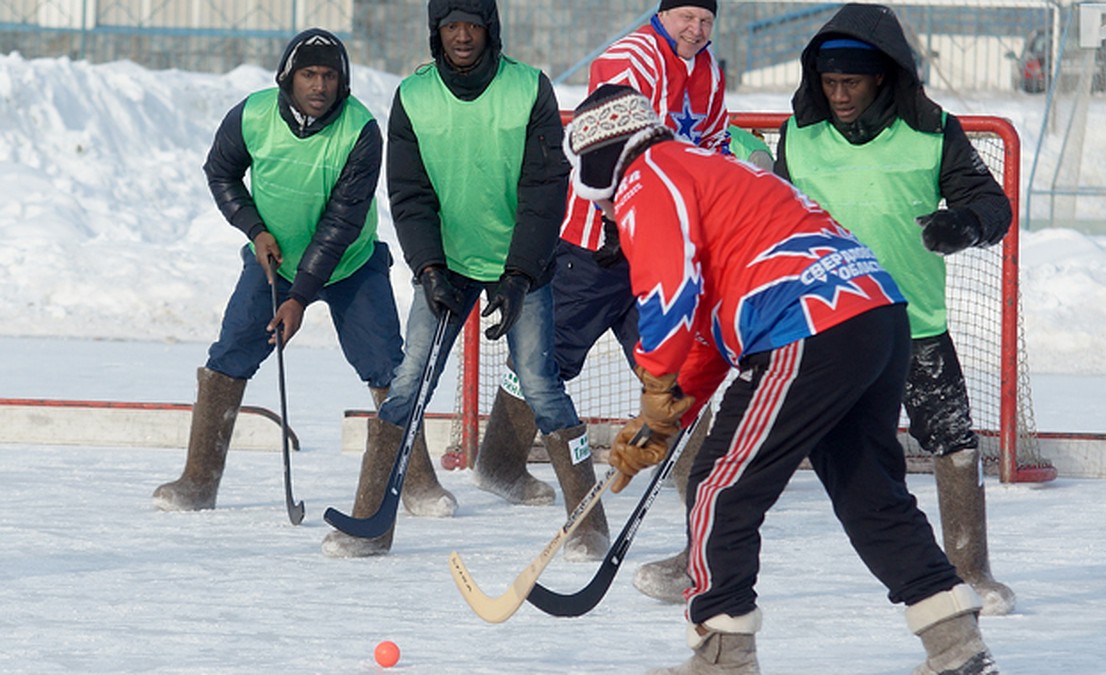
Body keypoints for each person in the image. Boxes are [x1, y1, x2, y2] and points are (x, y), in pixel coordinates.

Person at [567, 84, 999, 675]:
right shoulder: (706, 169)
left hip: (806, 324)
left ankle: (723, 654)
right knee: (870, 494)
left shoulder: (647, 174)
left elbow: (668, 293)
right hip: (873, 313)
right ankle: (955, 645)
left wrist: (656, 382)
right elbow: (712, 329)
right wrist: (665, 418)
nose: (609, 214)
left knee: (719, 485)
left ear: (598, 161)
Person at [321, 0, 609, 561]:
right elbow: (410, 195)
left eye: (471, 26)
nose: (461, 37)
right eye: (450, 26)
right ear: (436, 31)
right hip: (446, 267)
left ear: (489, 30)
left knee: (542, 385)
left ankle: (589, 524)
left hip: (520, 267)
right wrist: (428, 269)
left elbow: (545, 187)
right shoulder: (415, 96)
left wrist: (520, 274)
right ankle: (371, 523)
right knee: (408, 384)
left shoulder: (529, 88)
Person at [469, 0, 733, 602]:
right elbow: (608, 135)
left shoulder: (709, 70)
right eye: (685, 17)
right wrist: (627, 221)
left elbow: (711, 141)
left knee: (674, 355)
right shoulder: (630, 56)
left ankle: (695, 472)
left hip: (659, 239)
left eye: (706, 20)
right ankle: (500, 462)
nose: (695, 30)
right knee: (549, 360)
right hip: (595, 245)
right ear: (662, 15)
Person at [774, 2, 1016, 616]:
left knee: (954, 441)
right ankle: (702, 558)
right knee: (754, 436)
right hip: (822, 323)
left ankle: (972, 569)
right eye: (828, 83)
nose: (839, 95)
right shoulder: (798, 132)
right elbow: (774, 215)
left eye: (850, 82)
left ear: (883, 75)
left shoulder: (934, 130)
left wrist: (964, 223)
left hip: (913, 324)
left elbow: (991, 203)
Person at [153, 29, 404, 512]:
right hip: (274, 263)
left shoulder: (360, 130)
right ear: (288, 78)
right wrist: (254, 229)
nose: (319, 85)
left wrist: (299, 297)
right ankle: (198, 481)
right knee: (229, 356)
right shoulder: (252, 115)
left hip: (350, 263)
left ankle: (412, 484)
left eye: (330, 75)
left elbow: (341, 224)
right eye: (309, 74)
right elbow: (220, 172)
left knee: (389, 369)